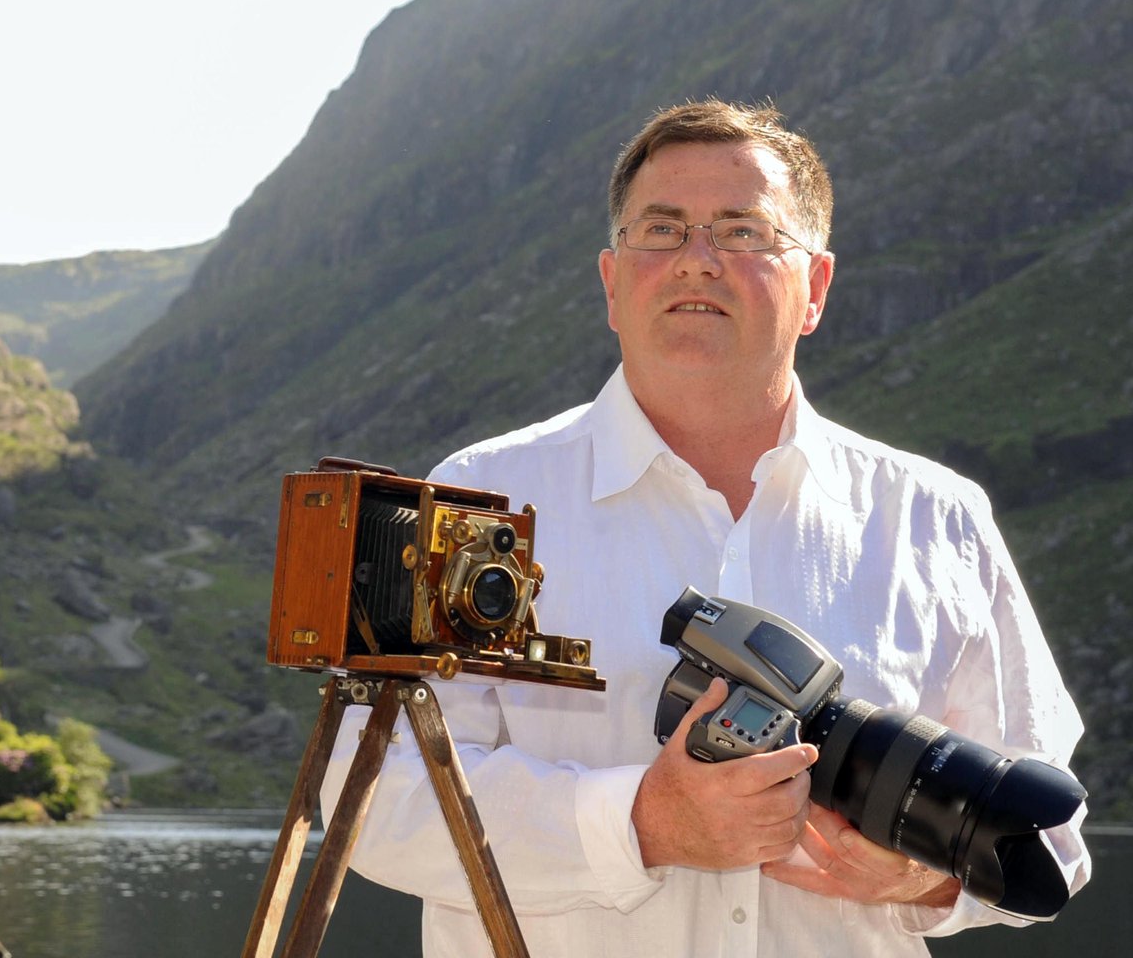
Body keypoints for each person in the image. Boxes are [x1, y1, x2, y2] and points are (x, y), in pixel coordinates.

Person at [320, 99, 1090, 957]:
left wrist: (930, 880)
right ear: (613, 283)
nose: (698, 262)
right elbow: (371, 797)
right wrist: (641, 822)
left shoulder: (939, 518)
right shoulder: (474, 497)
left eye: (744, 232)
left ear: (817, 290)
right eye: (662, 230)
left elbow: (1051, 834)